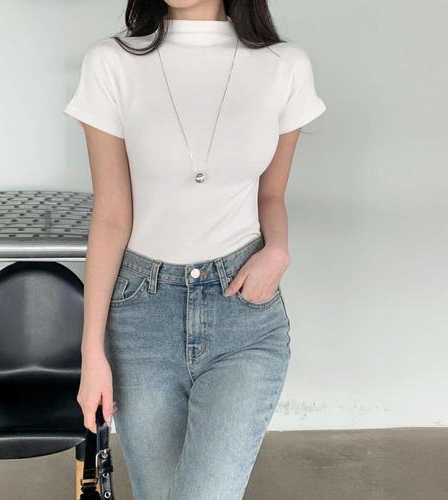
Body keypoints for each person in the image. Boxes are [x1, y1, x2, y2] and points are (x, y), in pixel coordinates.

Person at [64, 1, 326, 498]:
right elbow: (112, 214)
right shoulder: (112, 62)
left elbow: (270, 196)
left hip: (242, 315)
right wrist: (91, 351)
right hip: (141, 317)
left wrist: (278, 250)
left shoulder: (285, 66)